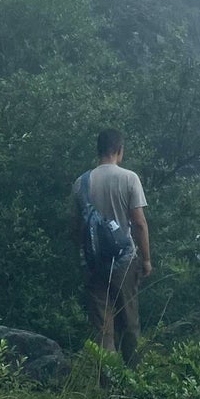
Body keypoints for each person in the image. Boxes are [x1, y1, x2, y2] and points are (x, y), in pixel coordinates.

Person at [74, 128, 151, 364]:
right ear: (120, 150)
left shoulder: (81, 183)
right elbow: (138, 223)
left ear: (98, 150)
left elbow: (75, 227)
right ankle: (132, 382)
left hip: (95, 264)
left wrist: (82, 259)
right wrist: (146, 260)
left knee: (102, 327)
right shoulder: (129, 178)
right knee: (129, 322)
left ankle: (106, 383)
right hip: (124, 263)